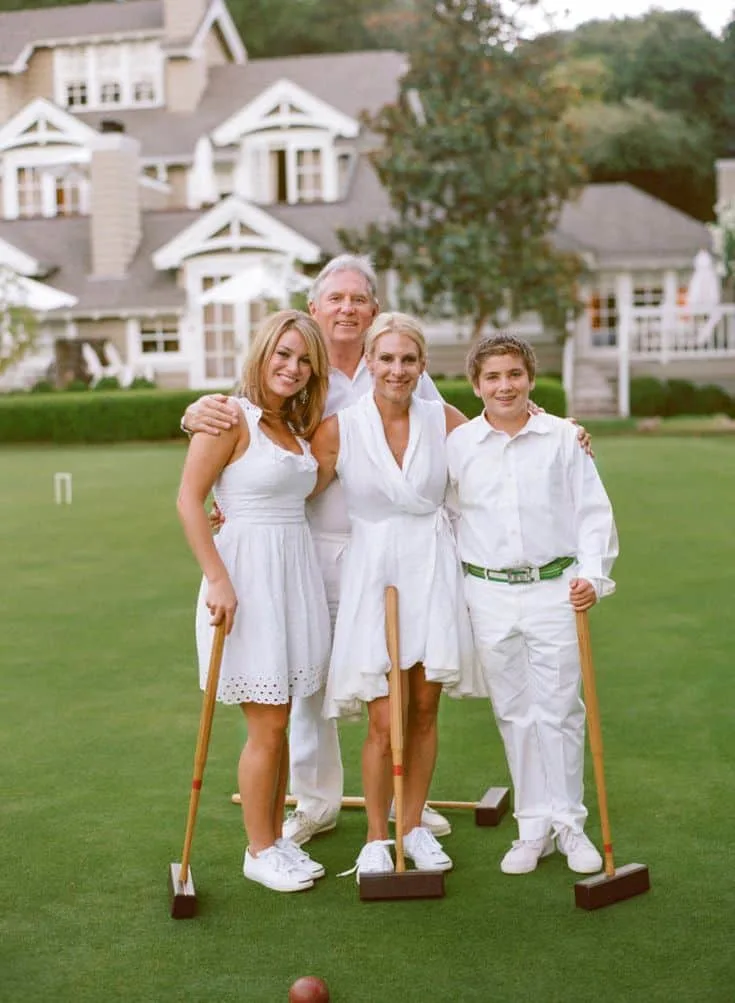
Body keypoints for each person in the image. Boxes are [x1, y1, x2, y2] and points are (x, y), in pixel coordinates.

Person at [181, 255, 453, 844]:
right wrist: (193, 414)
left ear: (374, 310)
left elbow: (456, 427)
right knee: (307, 683)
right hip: (310, 550)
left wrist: (538, 418)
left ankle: (403, 802)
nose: (347, 309)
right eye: (336, 298)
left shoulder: (394, 362)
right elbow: (245, 431)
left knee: (395, 683)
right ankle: (316, 801)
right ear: (315, 307)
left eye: (359, 299)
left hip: (391, 552)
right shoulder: (298, 365)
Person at [309, 312, 481, 880]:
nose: (397, 370)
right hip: (374, 576)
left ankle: (412, 827)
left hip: (432, 569)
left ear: (422, 365)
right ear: (369, 362)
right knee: (385, 721)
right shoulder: (339, 428)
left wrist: (561, 429)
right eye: (386, 358)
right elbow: (292, 491)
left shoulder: (445, 420)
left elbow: (498, 449)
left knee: (425, 710)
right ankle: (376, 838)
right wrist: (231, 508)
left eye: (408, 359)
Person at [446, 334, 619, 876]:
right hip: (488, 593)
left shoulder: (563, 437)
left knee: (560, 708)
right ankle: (532, 828)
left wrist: (593, 576)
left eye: (514, 374)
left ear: (530, 379)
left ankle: (570, 824)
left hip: (554, 588)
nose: (505, 386)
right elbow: (444, 516)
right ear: (476, 385)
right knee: (514, 711)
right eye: (493, 377)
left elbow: (592, 512)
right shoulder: (459, 445)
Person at [176, 309, 332, 893]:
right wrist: (217, 580)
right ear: (262, 353)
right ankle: (258, 849)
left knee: (282, 720)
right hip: (246, 581)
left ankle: (276, 839)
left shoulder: (292, 425)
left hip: (293, 578)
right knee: (266, 726)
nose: (293, 368)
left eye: (305, 361)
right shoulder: (228, 416)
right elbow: (189, 500)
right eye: (283, 354)